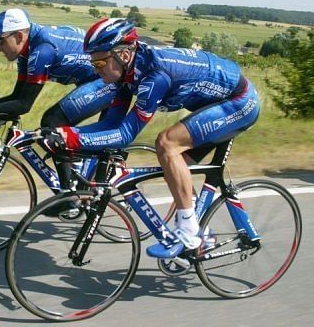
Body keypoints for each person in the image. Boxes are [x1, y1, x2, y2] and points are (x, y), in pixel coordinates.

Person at [42, 17, 260, 258]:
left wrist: (72, 138)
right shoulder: (127, 75)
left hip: (240, 102)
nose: (96, 69)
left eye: (101, 61)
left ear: (123, 55)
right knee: (175, 168)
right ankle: (202, 234)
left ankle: (189, 232)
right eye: (93, 63)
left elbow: (124, 135)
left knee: (166, 144)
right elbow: (111, 124)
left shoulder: (155, 76)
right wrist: (61, 134)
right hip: (213, 105)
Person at [0, 8, 118, 191]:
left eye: (1, 40)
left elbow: (24, 105)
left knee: (52, 121)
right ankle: (79, 178)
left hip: (106, 81)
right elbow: (17, 97)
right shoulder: (26, 53)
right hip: (93, 80)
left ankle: (70, 196)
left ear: (18, 36)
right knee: (54, 129)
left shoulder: (42, 50)